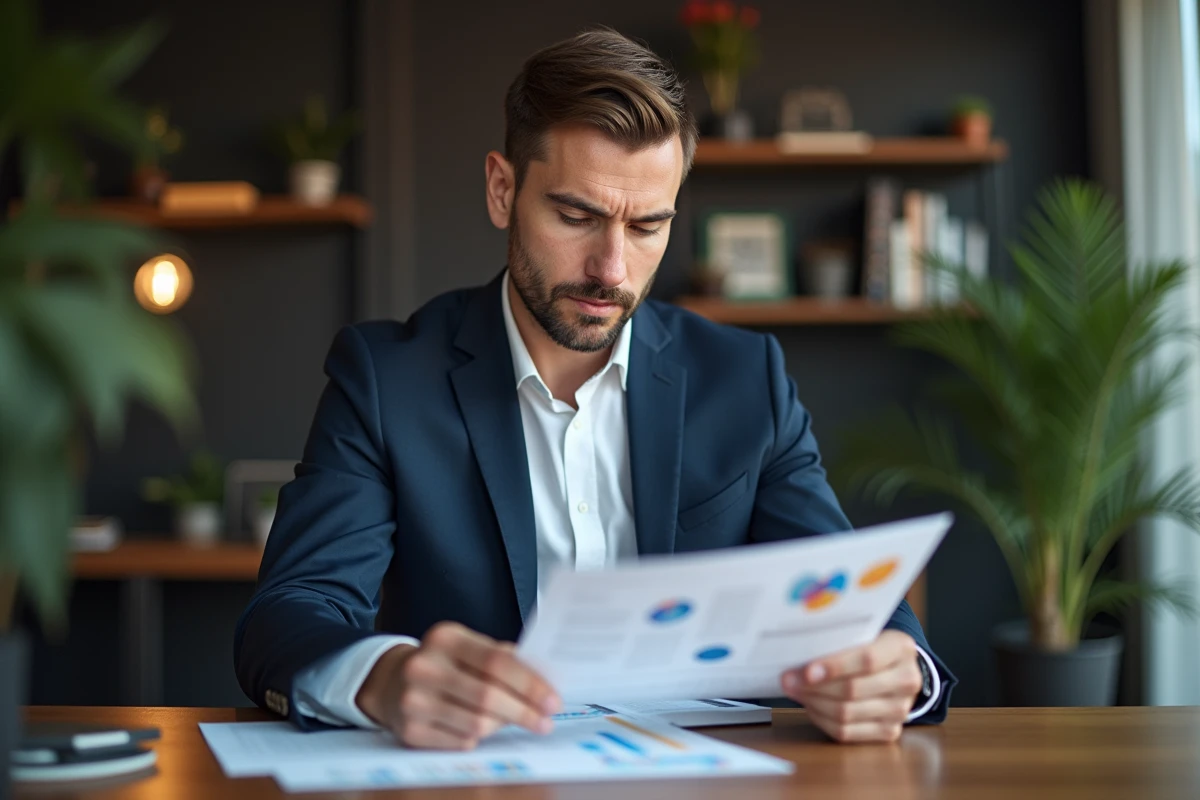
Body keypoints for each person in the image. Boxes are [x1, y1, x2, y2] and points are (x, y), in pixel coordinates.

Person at [234, 26, 956, 750]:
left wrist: (896, 672)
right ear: (502, 189)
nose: (612, 268)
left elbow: (854, 608)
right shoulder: (388, 380)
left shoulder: (745, 381)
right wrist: (384, 678)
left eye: (647, 226)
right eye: (576, 216)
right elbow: (290, 612)